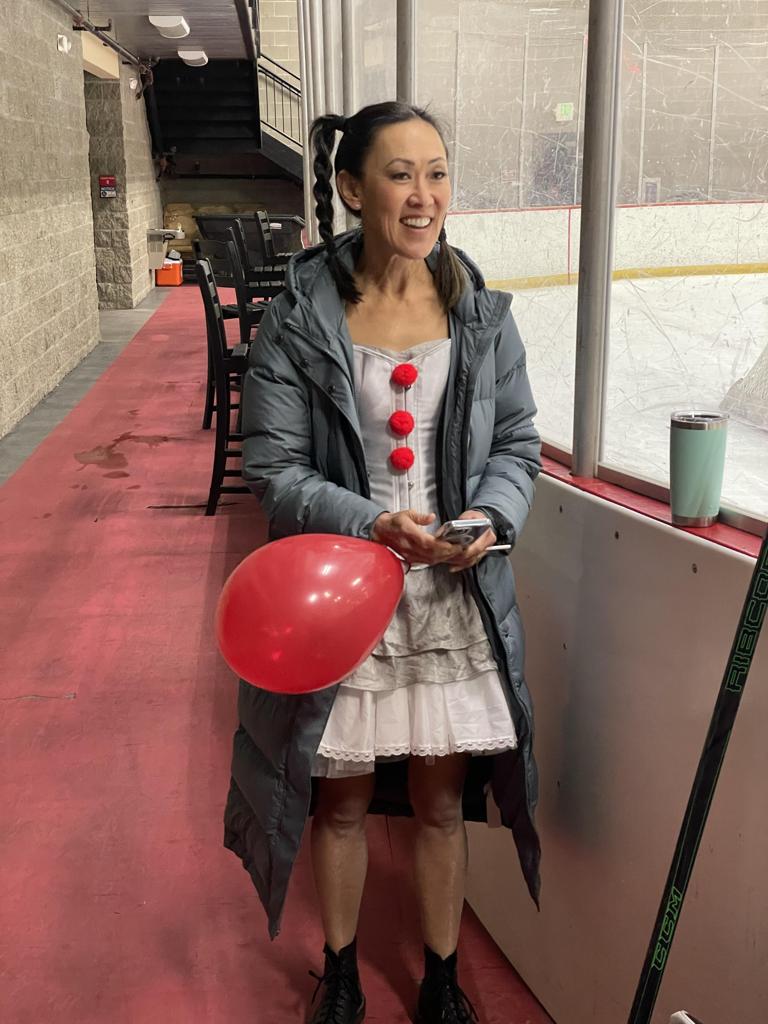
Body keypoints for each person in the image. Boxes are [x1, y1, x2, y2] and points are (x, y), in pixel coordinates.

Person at [223, 101, 542, 1024]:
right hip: (342, 595)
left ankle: (441, 978)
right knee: (342, 805)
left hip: (449, 595)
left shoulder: (480, 314)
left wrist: (485, 517)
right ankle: (341, 974)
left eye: (437, 173)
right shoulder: (298, 321)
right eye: (400, 174)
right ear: (353, 189)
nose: (423, 195)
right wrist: (371, 524)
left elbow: (516, 444)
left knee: (441, 805)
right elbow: (275, 469)